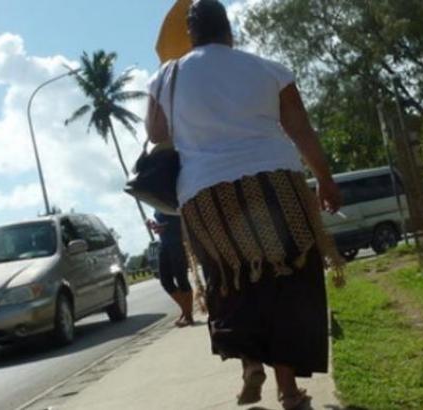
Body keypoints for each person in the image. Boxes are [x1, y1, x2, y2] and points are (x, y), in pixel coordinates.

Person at [145, 0, 345, 408]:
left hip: (206, 198)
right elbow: (300, 128)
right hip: (276, 186)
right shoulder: (267, 68)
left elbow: (155, 132)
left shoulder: (167, 76)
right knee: (286, 283)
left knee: (230, 281)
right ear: (228, 30)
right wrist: (324, 179)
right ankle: (289, 391)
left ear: (191, 32)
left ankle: (251, 363)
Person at [147, 211, 194, 327]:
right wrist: (153, 224)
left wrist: (164, 226)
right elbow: (161, 221)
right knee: (165, 281)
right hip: (164, 244)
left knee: (181, 278)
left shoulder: (169, 195)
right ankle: (185, 310)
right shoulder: (155, 199)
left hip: (177, 243)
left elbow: (182, 217)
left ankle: (188, 316)